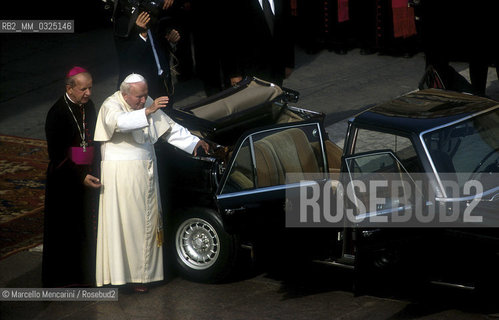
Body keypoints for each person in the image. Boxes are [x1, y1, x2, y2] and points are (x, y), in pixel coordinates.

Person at [94, 73, 209, 292]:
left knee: (145, 224)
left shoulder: (145, 102)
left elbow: (168, 127)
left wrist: (194, 142)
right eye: (139, 97)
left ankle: (143, 275)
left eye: (145, 96)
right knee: (128, 226)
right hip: (122, 178)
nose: (143, 100)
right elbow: (119, 123)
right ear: (125, 94)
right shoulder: (111, 104)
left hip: (146, 174)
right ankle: (126, 277)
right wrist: (147, 111)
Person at [42, 66, 102, 288]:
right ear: (70, 88)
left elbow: (94, 139)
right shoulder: (57, 113)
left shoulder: (89, 106)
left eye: (90, 88)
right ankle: (65, 279)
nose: (88, 93)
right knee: (66, 231)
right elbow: (57, 154)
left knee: (87, 228)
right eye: (83, 89)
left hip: (88, 173)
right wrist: (80, 176)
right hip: (65, 182)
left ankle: (87, 275)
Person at [112, 0, 180, 99]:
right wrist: (142, 34)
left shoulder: (153, 18)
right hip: (141, 89)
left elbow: (160, 48)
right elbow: (128, 60)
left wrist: (172, 41)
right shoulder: (123, 24)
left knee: (167, 113)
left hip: (162, 82)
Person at [226, 0, 295, 87]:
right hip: (250, 71)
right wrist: (235, 73)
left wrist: (289, 63)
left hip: (277, 69)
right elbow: (230, 39)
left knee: (274, 98)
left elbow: (288, 30)